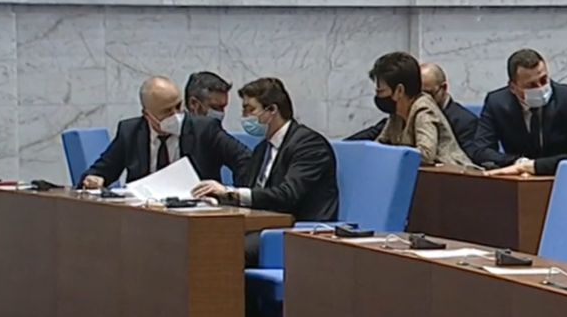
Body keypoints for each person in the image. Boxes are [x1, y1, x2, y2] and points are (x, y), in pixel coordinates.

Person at [191, 77, 339, 263]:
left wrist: (230, 192)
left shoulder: (309, 145)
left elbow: (287, 195)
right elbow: (249, 190)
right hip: (266, 226)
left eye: (250, 110)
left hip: (299, 232)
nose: (245, 117)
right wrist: (216, 199)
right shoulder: (263, 149)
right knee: (199, 239)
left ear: (272, 110)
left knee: (224, 248)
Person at [80, 76, 251, 189]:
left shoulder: (204, 129)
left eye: (178, 106)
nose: (176, 115)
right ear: (147, 114)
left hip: (194, 214)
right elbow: (100, 171)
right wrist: (95, 179)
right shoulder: (130, 132)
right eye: (167, 111)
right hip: (145, 215)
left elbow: (246, 160)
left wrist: (229, 193)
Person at [472, 49, 567, 168]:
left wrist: (538, 166)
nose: (540, 88)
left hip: (561, 171)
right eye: (531, 85)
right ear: (513, 87)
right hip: (518, 175)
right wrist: (517, 162)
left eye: (543, 80)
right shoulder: (497, 103)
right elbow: (481, 150)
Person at [346, 63, 479, 159]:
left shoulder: (427, 110)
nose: (420, 97)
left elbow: (427, 155)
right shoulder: (399, 112)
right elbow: (380, 140)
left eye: (426, 93)